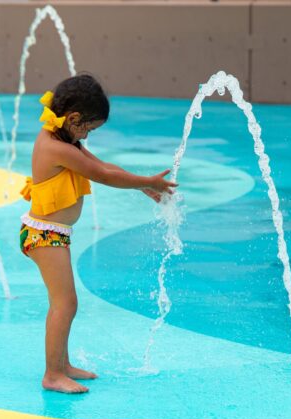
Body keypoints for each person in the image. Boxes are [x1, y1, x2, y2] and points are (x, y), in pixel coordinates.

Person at [20, 74, 177, 394]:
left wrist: (143, 183)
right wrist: (147, 181)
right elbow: (103, 175)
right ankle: (52, 374)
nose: (88, 136)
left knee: (66, 302)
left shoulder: (66, 141)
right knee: (65, 304)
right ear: (74, 119)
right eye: (88, 129)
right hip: (43, 236)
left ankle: (61, 365)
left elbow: (103, 165)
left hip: (51, 234)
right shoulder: (54, 147)